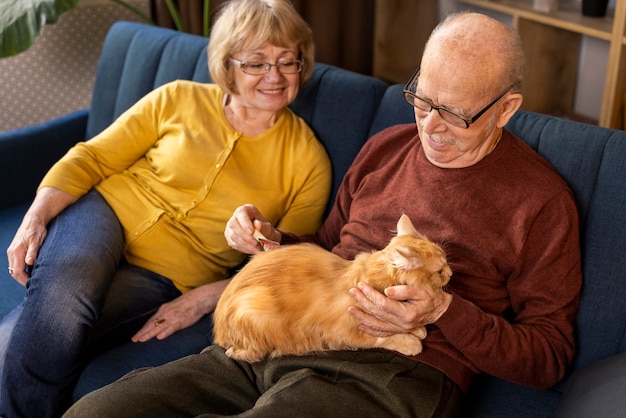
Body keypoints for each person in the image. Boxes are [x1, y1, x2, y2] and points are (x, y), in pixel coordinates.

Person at [64, 11, 582, 418]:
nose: (432, 128)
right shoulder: (385, 147)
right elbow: (327, 245)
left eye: (457, 114)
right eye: (422, 101)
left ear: (506, 109)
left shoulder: (540, 202)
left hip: (396, 372)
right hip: (294, 332)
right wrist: (271, 241)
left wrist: (441, 310)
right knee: (99, 410)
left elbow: (548, 357)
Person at [1, 0, 331, 416]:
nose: (275, 76)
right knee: (64, 296)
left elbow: (286, 264)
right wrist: (36, 217)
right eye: (256, 63)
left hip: (168, 273)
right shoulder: (179, 98)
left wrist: (205, 297)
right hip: (101, 214)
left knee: (26, 337)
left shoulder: (307, 159)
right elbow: (92, 158)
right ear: (227, 64)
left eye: (288, 62)